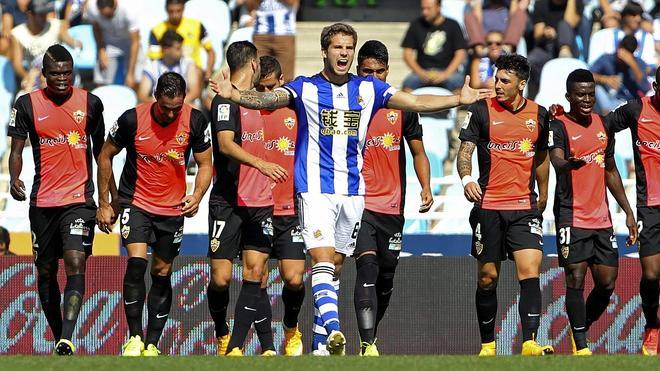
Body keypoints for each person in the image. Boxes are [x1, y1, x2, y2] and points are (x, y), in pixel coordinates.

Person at [210, 22, 492, 355]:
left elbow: (414, 101)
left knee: (336, 266)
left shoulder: (369, 89)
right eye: (337, 47)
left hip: (354, 193)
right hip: (314, 189)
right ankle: (333, 328)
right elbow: (269, 97)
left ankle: (319, 345)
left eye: (348, 48)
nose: (343, 53)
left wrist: (457, 99)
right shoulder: (306, 88)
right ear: (324, 51)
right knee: (321, 259)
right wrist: (236, 95)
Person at [96, 71, 213, 356]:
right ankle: (135, 337)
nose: (171, 114)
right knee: (136, 265)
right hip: (136, 204)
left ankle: (152, 344)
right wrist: (105, 201)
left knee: (161, 272)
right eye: (165, 107)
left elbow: (206, 164)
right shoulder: (131, 119)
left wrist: (196, 195)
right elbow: (105, 154)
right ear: (155, 98)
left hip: (172, 210)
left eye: (176, 108)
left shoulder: (196, 121)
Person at [8, 44, 106, 355]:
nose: (62, 79)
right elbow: (16, 151)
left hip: (79, 199)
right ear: (44, 74)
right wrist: (13, 178)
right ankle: (57, 337)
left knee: (76, 262)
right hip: (43, 201)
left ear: (73, 72)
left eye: (67, 73)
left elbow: (102, 155)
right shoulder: (26, 105)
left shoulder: (91, 103)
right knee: (46, 270)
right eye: (55, 74)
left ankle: (67, 336)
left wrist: (108, 200)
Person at [457, 54, 553, 356]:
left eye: (504, 81)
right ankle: (488, 345)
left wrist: (544, 192)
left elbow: (541, 157)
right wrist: (467, 179)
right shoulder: (481, 110)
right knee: (488, 278)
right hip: (488, 207)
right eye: (496, 79)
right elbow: (465, 150)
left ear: (521, 84)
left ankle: (529, 343)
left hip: (523, 207)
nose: (496, 85)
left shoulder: (539, 115)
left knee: (530, 269)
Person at [353, 39, 433, 356]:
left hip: (392, 207)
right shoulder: (346, 105)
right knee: (367, 268)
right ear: (358, 71)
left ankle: (370, 337)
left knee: (385, 279)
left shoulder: (401, 107)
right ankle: (366, 343)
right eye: (366, 71)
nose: (372, 78)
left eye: (378, 72)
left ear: (388, 72)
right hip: (360, 204)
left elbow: (418, 152)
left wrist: (425, 186)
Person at [548, 69, 637, 355]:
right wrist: (567, 165)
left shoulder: (602, 124)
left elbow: (610, 170)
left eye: (590, 94)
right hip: (570, 216)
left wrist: (628, 211)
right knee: (575, 278)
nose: (586, 100)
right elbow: (556, 159)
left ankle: (580, 328)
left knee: (607, 282)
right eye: (580, 95)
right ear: (568, 97)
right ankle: (582, 348)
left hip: (602, 219)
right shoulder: (558, 125)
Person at [207, 41, 284, 357]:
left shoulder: (257, 101)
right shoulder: (224, 103)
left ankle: (240, 348)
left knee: (256, 273)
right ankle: (222, 332)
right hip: (228, 201)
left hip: (260, 201)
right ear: (253, 64)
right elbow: (225, 145)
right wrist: (261, 163)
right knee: (221, 279)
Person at [603, 65, 660, 355]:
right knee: (651, 275)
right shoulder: (637, 110)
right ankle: (652, 326)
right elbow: (602, 126)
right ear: (654, 86)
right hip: (650, 205)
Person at [256, 55, 305, 356]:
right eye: (259, 88)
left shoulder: (297, 111)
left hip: (290, 209)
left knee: (294, 278)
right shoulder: (246, 112)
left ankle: (291, 329)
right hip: (257, 208)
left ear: (282, 81)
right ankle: (267, 346)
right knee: (257, 277)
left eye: (270, 88)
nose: (264, 95)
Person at [10, 0, 79, 94]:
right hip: (35, 77)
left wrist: (74, 43)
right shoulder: (17, 33)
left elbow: (71, 42)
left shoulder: (57, 25)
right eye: (41, 14)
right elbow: (17, 64)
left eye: (45, 13)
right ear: (30, 14)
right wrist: (27, 77)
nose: (44, 17)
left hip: (59, 74)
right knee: (22, 97)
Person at [401, 0, 468, 92]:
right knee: (407, 87)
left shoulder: (453, 25)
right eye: (423, 8)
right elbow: (407, 53)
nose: (425, 12)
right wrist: (420, 73)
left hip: (448, 71)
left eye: (428, 9)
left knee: (459, 87)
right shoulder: (416, 25)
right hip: (422, 71)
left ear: (438, 7)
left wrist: (446, 74)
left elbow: (460, 53)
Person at [148, 0, 215, 82]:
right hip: (167, 72)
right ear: (166, 10)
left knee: (196, 72)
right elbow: (154, 59)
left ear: (183, 8)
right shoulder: (156, 30)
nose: (175, 15)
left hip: (193, 72)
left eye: (178, 11)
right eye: (171, 11)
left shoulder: (196, 25)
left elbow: (210, 51)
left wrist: (209, 71)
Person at [527, 0, 583, 99]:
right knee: (531, 60)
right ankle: (532, 98)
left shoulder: (576, 2)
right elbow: (537, 33)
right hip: (548, 46)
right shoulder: (541, 3)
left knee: (563, 24)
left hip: (570, 46)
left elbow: (570, 23)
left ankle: (564, 52)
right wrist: (546, 32)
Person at [138, 30, 202, 107]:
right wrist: (163, 104)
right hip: (158, 106)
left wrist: (174, 104)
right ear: (166, 49)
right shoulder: (151, 66)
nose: (181, 52)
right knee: (139, 107)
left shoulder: (188, 63)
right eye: (178, 48)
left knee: (194, 108)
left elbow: (195, 92)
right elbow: (142, 95)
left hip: (182, 105)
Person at [590, 34, 650, 114]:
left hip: (627, 103)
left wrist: (633, 65)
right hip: (607, 100)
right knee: (596, 89)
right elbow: (587, 75)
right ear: (619, 46)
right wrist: (604, 79)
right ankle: (604, 118)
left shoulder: (638, 63)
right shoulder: (606, 59)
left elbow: (645, 87)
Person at [85, 0, 140, 87]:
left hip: (130, 43)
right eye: (103, 15)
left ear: (116, 4)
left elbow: (135, 42)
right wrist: (101, 50)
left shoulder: (129, 10)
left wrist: (131, 73)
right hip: (108, 43)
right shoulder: (91, 7)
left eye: (109, 15)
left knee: (135, 80)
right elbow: (95, 27)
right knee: (101, 80)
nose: (107, 18)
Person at [250, 0, 299, 83]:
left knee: (285, 78)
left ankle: (282, 96)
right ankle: (263, 96)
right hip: (261, 33)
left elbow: (293, 2)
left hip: (284, 33)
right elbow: (250, 6)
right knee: (259, 76)